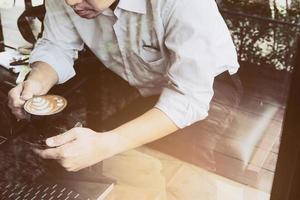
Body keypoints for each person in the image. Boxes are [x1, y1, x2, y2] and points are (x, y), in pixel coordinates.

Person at [7, 0, 239, 172]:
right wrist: (36, 81)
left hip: (206, 86)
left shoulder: (182, 3)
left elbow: (189, 98)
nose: (70, 2)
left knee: (187, 169)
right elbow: (57, 45)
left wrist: (108, 144)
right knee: (114, 165)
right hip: (141, 84)